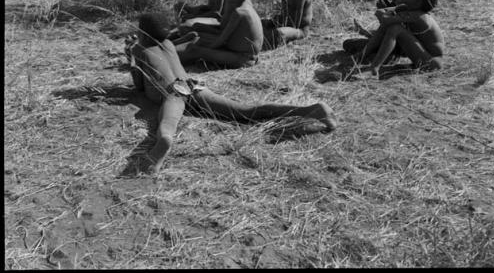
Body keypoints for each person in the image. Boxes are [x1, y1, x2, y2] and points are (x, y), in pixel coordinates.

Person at [125, 12, 336, 174]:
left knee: (168, 123)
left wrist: (131, 58)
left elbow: (140, 87)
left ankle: (162, 146)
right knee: (246, 111)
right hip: (194, 86)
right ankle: (311, 110)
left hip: (173, 93)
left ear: (143, 34)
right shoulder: (169, 44)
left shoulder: (140, 51)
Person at [175, 0, 263, 69]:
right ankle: (171, 50)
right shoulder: (246, 4)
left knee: (194, 50)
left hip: (243, 59)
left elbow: (221, 40)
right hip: (238, 53)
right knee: (196, 37)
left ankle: (169, 59)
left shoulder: (239, 13)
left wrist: (203, 48)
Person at [358, 0, 444, 79]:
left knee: (395, 28)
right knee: (390, 25)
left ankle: (374, 69)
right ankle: (361, 56)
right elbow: (380, 12)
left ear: (417, 2)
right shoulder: (406, 8)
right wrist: (387, 14)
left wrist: (387, 15)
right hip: (421, 58)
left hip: (432, 63)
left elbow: (385, 18)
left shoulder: (419, 16)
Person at [343, 0, 414, 57]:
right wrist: (388, 7)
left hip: (399, 45)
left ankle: (384, 54)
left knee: (348, 44)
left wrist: (384, 11)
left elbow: (391, 28)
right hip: (408, 44)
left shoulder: (401, 0)